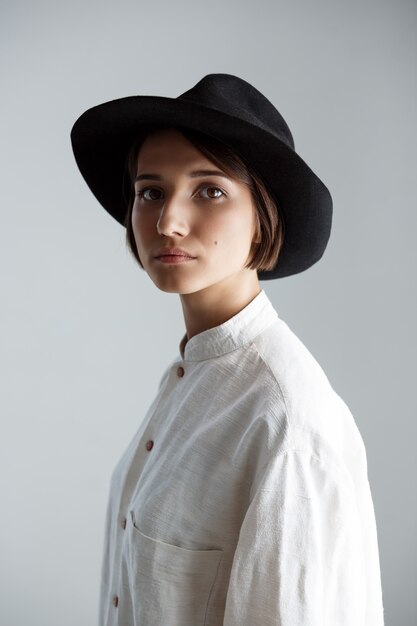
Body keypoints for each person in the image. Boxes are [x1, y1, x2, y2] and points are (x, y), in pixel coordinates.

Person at [71, 73, 385, 626]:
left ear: (263, 215)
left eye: (209, 190)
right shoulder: (190, 375)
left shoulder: (285, 419)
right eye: (151, 192)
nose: (167, 220)